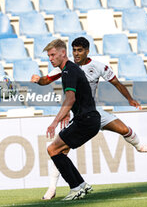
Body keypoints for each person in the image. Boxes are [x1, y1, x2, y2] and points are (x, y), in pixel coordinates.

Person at [32, 37, 147, 200]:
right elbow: (47, 80)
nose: (76, 53)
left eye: (80, 50)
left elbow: (116, 83)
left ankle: (140, 146)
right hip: (81, 113)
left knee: (123, 129)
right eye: (74, 50)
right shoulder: (64, 66)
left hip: (92, 111)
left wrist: (129, 99)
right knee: (60, 150)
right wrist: (38, 81)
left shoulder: (96, 67)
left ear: (87, 51)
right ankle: (52, 188)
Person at [43, 38, 101, 201]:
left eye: (53, 54)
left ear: (63, 53)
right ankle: (81, 185)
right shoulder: (70, 70)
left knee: (53, 149)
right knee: (58, 150)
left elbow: (70, 99)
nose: (51, 59)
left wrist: (54, 122)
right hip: (88, 119)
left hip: (85, 120)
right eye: (49, 56)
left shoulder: (69, 71)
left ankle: (75, 188)